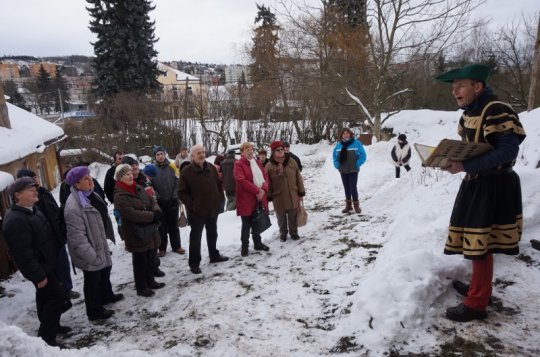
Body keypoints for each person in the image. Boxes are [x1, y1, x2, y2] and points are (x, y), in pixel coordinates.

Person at [434, 63, 526, 322]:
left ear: (478, 86)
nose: (455, 91)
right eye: (453, 86)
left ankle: (476, 304)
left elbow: (508, 151)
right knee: (477, 242)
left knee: (481, 245)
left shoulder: (497, 109)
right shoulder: (469, 113)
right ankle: (480, 288)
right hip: (477, 183)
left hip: (495, 186)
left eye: (460, 85)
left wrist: (465, 165)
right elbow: (476, 148)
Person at [3, 177, 70, 347]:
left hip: (48, 264)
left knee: (44, 298)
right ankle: (47, 339)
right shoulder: (16, 219)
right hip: (40, 268)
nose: (35, 191)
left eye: (34, 188)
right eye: (30, 189)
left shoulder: (31, 210)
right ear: (17, 195)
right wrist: (38, 275)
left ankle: (52, 326)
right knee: (55, 297)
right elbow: (22, 253)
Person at [64, 166, 123, 321]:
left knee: (105, 271)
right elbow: (78, 238)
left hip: (98, 243)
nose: (91, 179)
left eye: (89, 176)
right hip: (89, 250)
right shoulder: (73, 207)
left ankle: (107, 296)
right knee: (92, 280)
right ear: (77, 184)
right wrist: (92, 256)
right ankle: (94, 311)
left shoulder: (90, 194)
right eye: (86, 178)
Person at [16, 169, 80, 309]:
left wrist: (61, 228)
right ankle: (58, 296)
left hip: (56, 235)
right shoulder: (25, 206)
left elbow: (55, 210)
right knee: (51, 271)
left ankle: (67, 289)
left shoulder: (43, 193)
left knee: (63, 264)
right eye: (32, 178)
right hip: (44, 243)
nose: (36, 180)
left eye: (36, 177)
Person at [113, 164, 165, 296]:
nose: (131, 176)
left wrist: (156, 210)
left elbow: (151, 200)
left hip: (149, 230)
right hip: (135, 232)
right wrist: (152, 216)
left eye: (131, 173)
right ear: (120, 178)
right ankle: (141, 287)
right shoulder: (120, 196)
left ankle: (150, 281)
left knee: (149, 257)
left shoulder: (138, 187)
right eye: (126, 174)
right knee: (140, 261)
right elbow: (131, 214)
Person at [177, 145, 229, 274]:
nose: (201, 155)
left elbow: (218, 184)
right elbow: (181, 192)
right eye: (198, 153)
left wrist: (220, 199)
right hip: (197, 212)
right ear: (192, 156)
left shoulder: (211, 167)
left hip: (212, 208)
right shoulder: (187, 171)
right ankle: (194, 263)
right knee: (196, 238)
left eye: (203, 152)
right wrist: (192, 204)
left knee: (212, 234)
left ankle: (214, 255)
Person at [121, 156, 164, 277]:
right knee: (141, 251)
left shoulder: (143, 179)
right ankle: (145, 276)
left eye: (136, 168)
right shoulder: (126, 186)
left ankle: (154, 268)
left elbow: (152, 196)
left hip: (151, 218)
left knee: (153, 245)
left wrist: (155, 209)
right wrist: (150, 214)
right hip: (140, 222)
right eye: (132, 169)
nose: (135, 171)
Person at [234, 142, 270, 257]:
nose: (250, 151)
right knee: (246, 224)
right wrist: (257, 191)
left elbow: (265, 176)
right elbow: (241, 180)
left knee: (257, 221)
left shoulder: (257, 163)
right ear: (242, 152)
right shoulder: (238, 164)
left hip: (259, 198)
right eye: (247, 149)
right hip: (246, 199)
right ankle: (244, 246)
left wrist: (263, 189)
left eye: (251, 149)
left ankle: (258, 243)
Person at [265, 141, 306, 242]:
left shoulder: (291, 161)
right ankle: (283, 233)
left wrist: (301, 191)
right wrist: (268, 195)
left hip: (292, 193)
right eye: (277, 150)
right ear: (273, 152)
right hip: (278, 196)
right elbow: (267, 182)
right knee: (281, 218)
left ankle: (294, 233)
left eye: (282, 149)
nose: (280, 152)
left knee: (293, 215)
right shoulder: (269, 165)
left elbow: (298, 178)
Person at [152, 146, 185, 257]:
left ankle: (177, 246)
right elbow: (150, 186)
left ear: (165, 154)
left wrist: (175, 196)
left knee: (174, 226)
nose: (160, 156)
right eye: (157, 155)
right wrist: (157, 197)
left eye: (161, 154)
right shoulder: (152, 169)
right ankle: (162, 248)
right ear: (155, 156)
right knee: (161, 226)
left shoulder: (173, 166)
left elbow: (178, 181)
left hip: (172, 201)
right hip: (160, 202)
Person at [332, 128, 367, 214]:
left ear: (350, 134)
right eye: (344, 134)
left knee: (352, 187)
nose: (346, 135)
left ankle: (356, 205)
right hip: (343, 170)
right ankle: (348, 206)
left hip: (353, 169)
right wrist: (337, 165)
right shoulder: (338, 145)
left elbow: (363, 155)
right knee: (346, 188)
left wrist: (357, 163)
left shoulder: (356, 143)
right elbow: (334, 157)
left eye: (347, 133)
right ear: (341, 135)